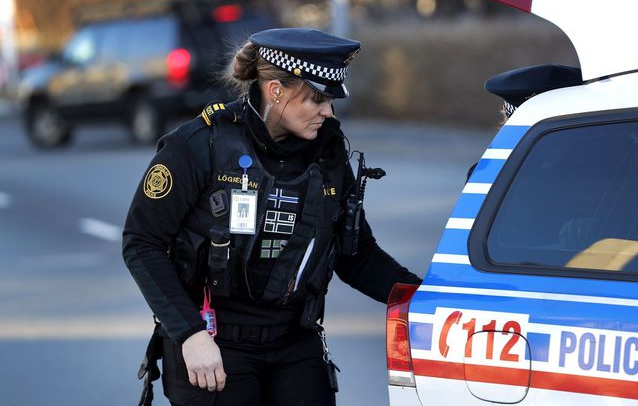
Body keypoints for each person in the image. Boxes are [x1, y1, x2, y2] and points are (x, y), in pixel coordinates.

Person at [123, 27, 422, 406]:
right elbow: (142, 243)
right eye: (316, 99)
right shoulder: (199, 145)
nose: (327, 111)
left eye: (330, 100)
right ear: (276, 90)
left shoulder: (328, 155)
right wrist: (189, 334)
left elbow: (356, 253)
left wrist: (424, 299)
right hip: (213, 343)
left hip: (294, 342)